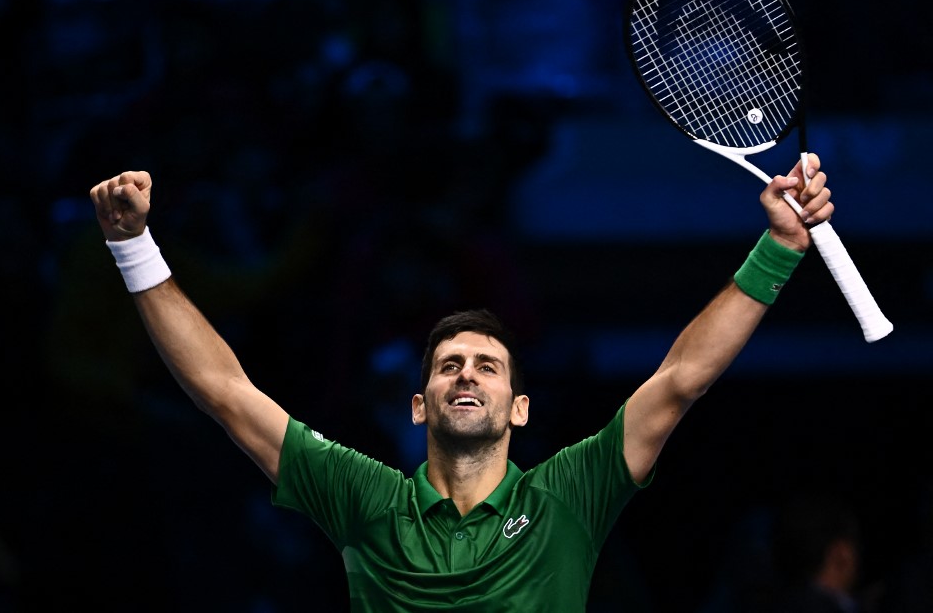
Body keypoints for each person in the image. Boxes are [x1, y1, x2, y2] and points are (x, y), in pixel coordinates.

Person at [89, 154, 834, 612]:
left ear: (519, 408)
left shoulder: (568, 496)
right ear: (420, 406)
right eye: (448, 366)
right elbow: (226, 391)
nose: (467, 373)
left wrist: (779, 247)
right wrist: (132, 247)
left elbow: (680, 379)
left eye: (487, 365)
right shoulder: (365, 500)